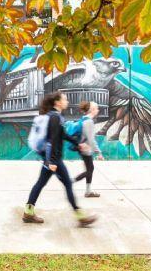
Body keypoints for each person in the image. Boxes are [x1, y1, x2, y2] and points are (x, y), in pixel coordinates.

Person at [23, 92, 97, 227]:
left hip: (51, 158)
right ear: (57, 102)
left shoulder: (55, 116)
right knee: (67, 184)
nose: (67, 101)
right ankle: (80, 217)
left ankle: (28, 212)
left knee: (40, 183)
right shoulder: (55, 118)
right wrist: (51, 161)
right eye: (64, 99)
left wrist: (77, 143)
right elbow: (52, 140)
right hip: (54, 159)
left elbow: (63, 134)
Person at [74, 101, 104, 197]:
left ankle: (88, 191)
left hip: (84, 148)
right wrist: (98, 152)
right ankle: (70, 181)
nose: (98, 110)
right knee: (89, 170)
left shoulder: (85, 119)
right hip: (85, 149)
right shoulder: (89, 122)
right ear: (92, 110)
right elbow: (91, 140)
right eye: (97, 108)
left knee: (90, 168)